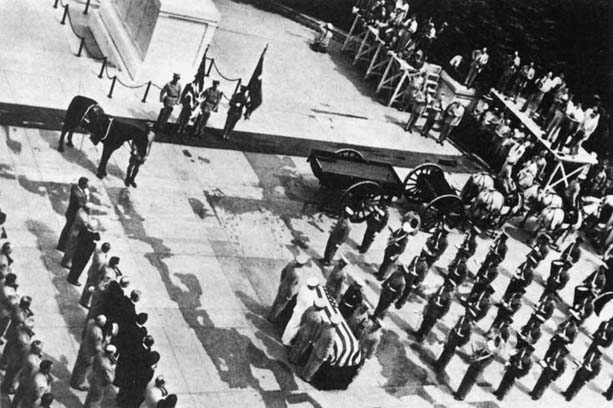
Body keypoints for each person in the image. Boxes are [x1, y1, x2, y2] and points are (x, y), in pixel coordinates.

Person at [376, 212, 420, 280]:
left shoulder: (405, 238)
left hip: (394, 252)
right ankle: (379, 273)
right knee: (384, 262)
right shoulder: (400, 230)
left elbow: (401, 250)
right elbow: (394, 235)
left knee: (388, 265)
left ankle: (382, 276)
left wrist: (394, 256)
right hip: (390, 249)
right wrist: (392, 235)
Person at [454, 336, 500, 400]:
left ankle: (461, 396)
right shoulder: (484, 350)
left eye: (488, 347)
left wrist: (476, 360)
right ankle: (458, 393)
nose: (486, 347)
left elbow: (482, 365)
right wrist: (474, 355)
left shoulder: (490, 357)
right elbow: (477, 352)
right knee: (464, 381)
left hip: (476, 371)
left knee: (468, 384)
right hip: (472, 367)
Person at [268, 254, 309, 323]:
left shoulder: (291, 264)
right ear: (302, 264)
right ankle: (272, 318)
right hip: (287, 291)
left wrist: (282, 280)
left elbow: (283, 271)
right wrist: (290, 295)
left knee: (277, 301)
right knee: (281, 305)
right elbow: (291, 286)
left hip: (283, 285)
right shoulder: (296, 274)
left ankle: (270, 314)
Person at [70, 314, 107, 391]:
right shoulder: (98, 333)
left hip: (83, 347)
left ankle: (73, 380)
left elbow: (83, 333)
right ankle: (79, 384)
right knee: (84, 369)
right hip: (89, 354)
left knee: (78, 366)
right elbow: (97, 347)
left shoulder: (90, 322)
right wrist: (105, 344)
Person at [281, 277, 320, 345]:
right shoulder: (309, 297)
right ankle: (286, 341)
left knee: (291, 324)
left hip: (297, 308)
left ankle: (284, 337)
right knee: (294, 327)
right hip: (301, 312)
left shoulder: (303, 288)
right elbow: (309, 306)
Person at [302, 314, 341, 381]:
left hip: (317, 345)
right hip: (321, 352)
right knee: (315, 365)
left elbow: (318, 333)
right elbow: (328, 347)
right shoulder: (333, 335)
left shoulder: (325, 325)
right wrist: (325, 356)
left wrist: (314, 340)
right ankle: (307, 377)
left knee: (310, 360)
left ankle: (303, 373)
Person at [288, 298, 326, 365]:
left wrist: (302, 324)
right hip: (308, 334)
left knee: (297, 343)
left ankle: (290, 355)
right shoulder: (318, 319)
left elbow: (303, 316)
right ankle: (293, 359)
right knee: (301, 347)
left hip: (303, 328)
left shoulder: (310, 308)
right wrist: (313, 340)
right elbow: (315, 330)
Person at [58, 177, 89, 252]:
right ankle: (61, 245)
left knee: (68, 229)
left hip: (73, 213)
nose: (87, 186)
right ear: (82, 184)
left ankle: (63, 244)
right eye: (86, 184)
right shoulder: (77, 193)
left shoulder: (76, 188)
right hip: (72, 214)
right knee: (68, 229)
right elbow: (81, 202)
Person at [80, 242, 111, 308]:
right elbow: (100, 269)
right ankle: (85, 302)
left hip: (91, 272)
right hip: (95, 275)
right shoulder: (101, 260)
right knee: (90, 288)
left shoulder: (97, 250)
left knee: (87, 286)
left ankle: (83, 299)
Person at [125, 122, 155, 188]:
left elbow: (150, 145)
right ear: (145, 127)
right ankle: (127, 178)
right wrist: (135, 151)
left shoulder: (152, 135)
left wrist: (147, 155)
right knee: (131, 165)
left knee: (137, 167)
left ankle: (132, 179)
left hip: (143, 154)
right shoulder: (139, 133)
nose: (149, 129)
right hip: (136, 152)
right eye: (148, 128)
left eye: (150, 128)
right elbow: (134, 142)